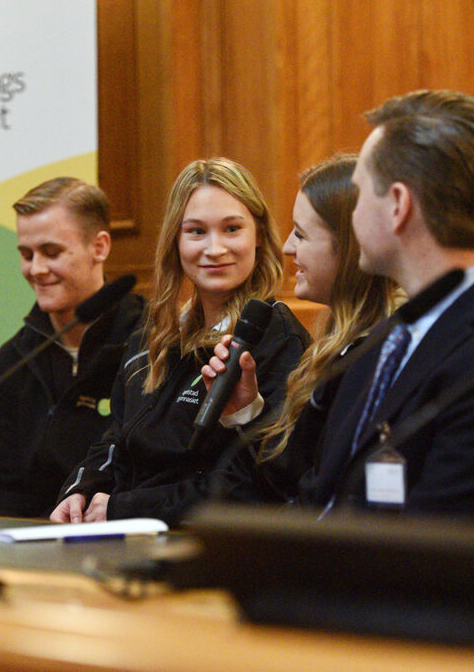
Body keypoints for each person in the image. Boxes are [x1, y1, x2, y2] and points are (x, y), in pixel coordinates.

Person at [306, 90, 474, 516]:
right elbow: (323, 495)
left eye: (358, 197)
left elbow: (438, 551)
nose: (352, 217)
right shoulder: (388, 338)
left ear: (397, 205)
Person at [50, 157, 310, 525]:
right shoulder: (154, 331)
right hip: (123, 534)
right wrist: (81, 489)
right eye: (196, 231)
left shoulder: (276, 337)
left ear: (259, 236)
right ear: (175, 240)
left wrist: (123, 510)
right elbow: (115, 440)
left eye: (232, 228)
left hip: (205, 547)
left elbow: (251, 487)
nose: (215, 248)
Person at [201, 154, 397, 502]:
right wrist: (246, 411)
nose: (288, 247)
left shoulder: (382, 357)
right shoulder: (341, 345)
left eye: (301, 234)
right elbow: (295, 478)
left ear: (351, 246)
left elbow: (320, 498)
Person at [0, 177, 145, 518]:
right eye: (26, 254)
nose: (36, 269)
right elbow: (1, 489)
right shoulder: (13, 360)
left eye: (51, 253)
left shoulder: (151, 341)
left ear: (99, 247)